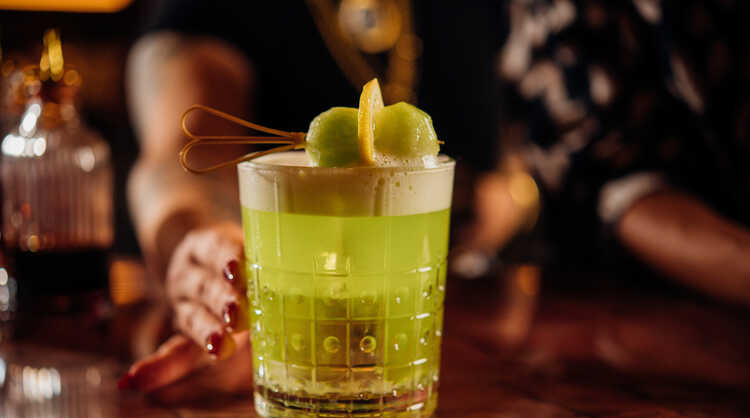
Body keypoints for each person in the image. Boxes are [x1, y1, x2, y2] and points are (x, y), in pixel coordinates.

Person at [120, 1, 750, 397]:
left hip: (450, 355)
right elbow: (179, 157)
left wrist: (512, 196)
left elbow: (540, 154)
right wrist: (193, 239)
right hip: (301, 352)